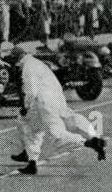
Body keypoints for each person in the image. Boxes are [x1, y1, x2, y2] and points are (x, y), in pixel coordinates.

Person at [9, 46, 107, 174]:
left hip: (43, 102)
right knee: (34, 125)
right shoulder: (37, 63)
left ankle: (89, 143)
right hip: (56, 98)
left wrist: (26, 106)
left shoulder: (27, 67)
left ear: (17, 57)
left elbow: (31, 90)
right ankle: (30, 158)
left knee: (56, 134)